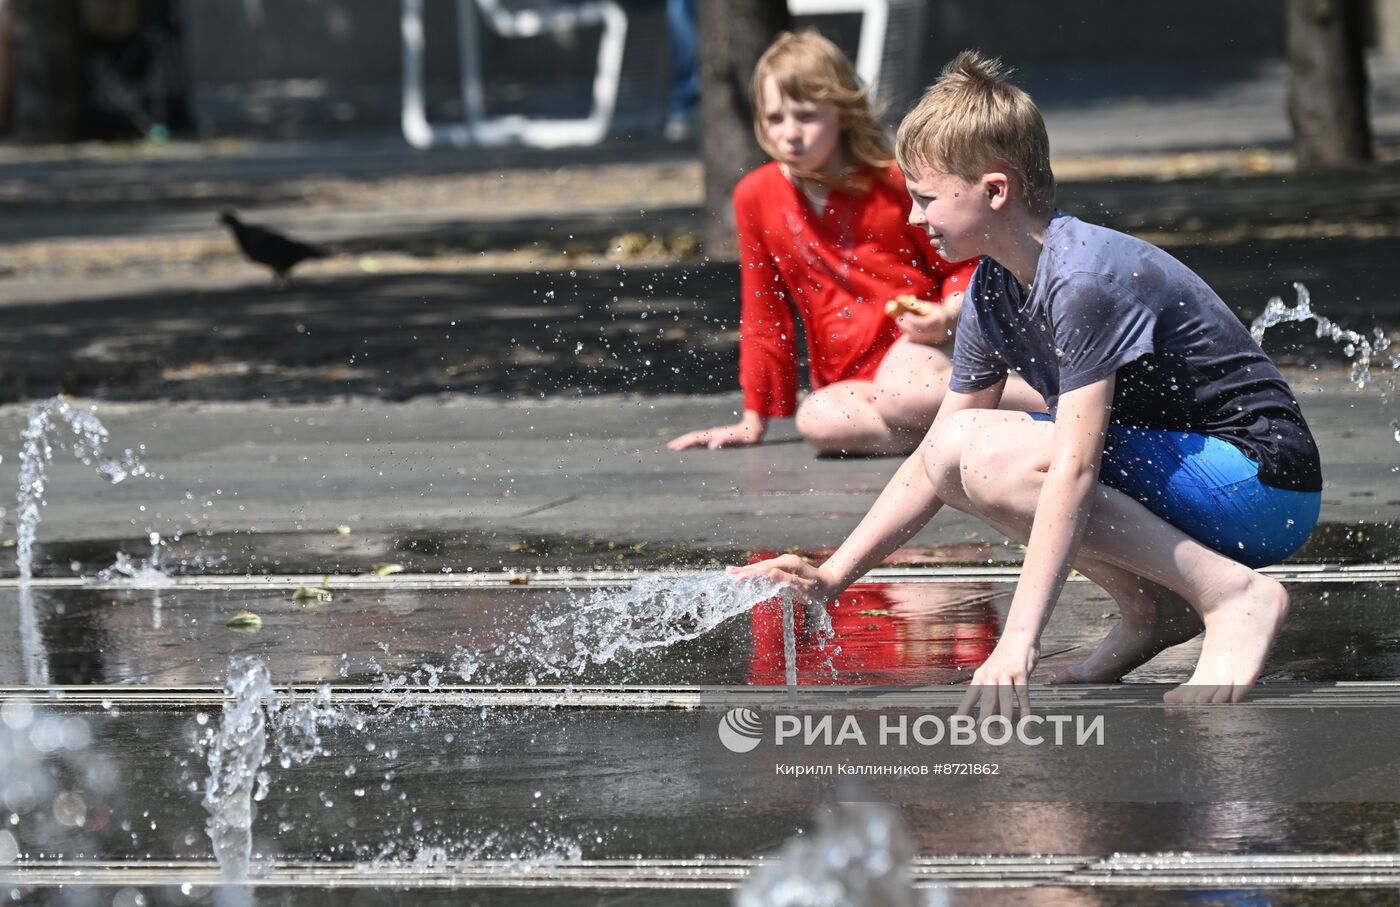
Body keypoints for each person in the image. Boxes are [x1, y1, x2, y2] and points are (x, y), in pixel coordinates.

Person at [730, 51, 1323, 710]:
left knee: (988, 455)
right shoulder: (993, 286)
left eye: (925, 197)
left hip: (1261, 485)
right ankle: (1153, 610)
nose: (914, 218)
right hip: (1195, 479)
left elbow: (1073, 468)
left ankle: (1231, 594)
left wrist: (1018, 638)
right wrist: (830, 576)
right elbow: (936, 455)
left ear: (995, 190)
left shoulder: (1081, 278)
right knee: (959, 449)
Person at [667, 32, 1043, 457]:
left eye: (806, 116)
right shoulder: (754, 196)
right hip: (851, 375)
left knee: (903, 395)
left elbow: (963, 263)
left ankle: (1058, 401)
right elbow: (764, 312)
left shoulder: (894, 183)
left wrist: (948, 314)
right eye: (775, 119)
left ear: (842, 113)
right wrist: (754, 418)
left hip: (922, 345)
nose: (790, 134)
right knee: (818, 420)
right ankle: (974, 432)